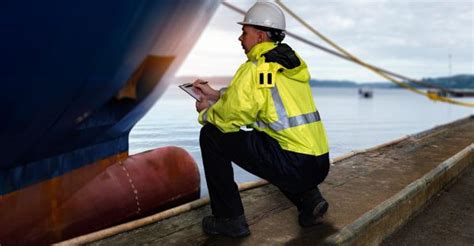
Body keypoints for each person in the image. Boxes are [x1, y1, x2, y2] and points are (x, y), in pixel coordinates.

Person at [193, 1, 330, 238]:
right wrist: (216, 95)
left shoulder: (257, 68)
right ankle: (309, 201)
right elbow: (255, 97)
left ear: (259, 36)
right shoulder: (288, 64)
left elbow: (230, 117)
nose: (240, 38)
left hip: (295, 166)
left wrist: (205, 113)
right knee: (269, 139)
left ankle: (229, 219)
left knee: (212, 135)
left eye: (244, 32)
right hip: (318, 165)